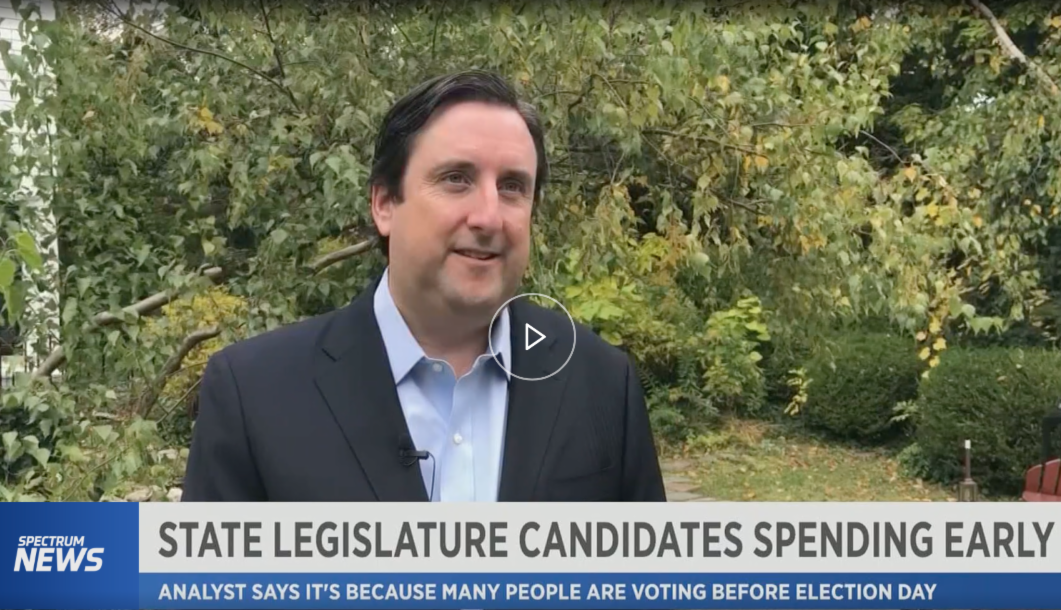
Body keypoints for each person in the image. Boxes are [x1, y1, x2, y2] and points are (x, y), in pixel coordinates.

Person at [181, 70, 666, 502]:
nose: (489, 216)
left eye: (513, 187)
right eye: (456, 179)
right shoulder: (255, 394)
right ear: (384, 204)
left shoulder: (602, 382)